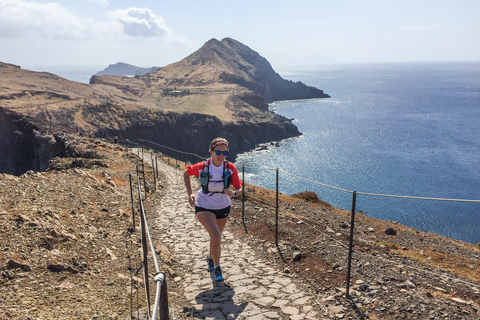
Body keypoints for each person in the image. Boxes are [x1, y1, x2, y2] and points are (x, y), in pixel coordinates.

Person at [184, 137, 242, 282]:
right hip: (204, 205)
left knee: (215, 238)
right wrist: (190, 193)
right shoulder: (202, 166)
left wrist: (234, 193)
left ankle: (210, 257)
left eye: (225, 152)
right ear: (211, 151)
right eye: (218, 151)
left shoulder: (231, 168)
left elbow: (239, 188)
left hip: (223, 207)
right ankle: (217, 268)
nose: (222, 155)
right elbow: (186, 174)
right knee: (216, 236)